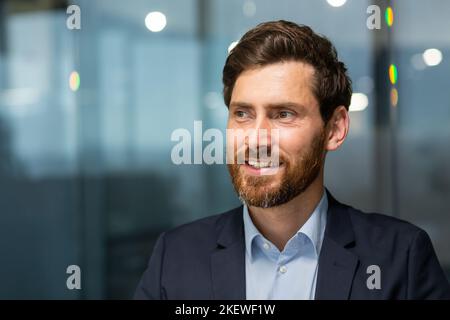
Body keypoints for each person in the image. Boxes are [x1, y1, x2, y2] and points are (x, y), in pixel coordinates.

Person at [134, 20, 450, 300]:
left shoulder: (400, 258)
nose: (256, 138)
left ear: (335, 129)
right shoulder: (175, 257)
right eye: (242, 114)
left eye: (284, 114)